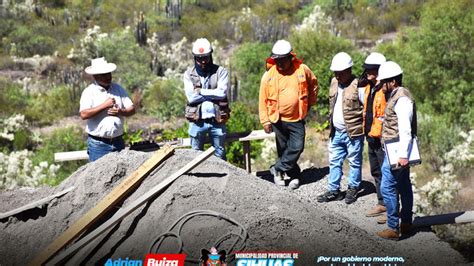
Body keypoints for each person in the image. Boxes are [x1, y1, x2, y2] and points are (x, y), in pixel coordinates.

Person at [259, 40, 319, 189]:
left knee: (297, 147)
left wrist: (310, 103)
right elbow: (262, 99)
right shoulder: (269, 75)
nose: (279, 63)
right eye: (276, 60)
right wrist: (265, 121)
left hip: (296, 118)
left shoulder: (302, 70)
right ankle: (294, 176)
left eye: (282, 60)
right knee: (284, 150)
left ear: (290, 57)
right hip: (277, 119)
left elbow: (314, 84)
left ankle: (277, 168)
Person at [376, 61, 417, 240]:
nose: (381, 86)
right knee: (404, 186)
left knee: (387, 186)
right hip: (398, 151)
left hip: (397, 153)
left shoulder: (401, 98)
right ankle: (406, 223)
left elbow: (405, 128)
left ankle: (393, 228)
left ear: (392, 81)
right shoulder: (398, 96)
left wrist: (402, 155)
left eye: (383, 82)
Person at [317, 52, 364, 204]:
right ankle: (333, 190)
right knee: (334, 161)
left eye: (340, 73)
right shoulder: (334, 83)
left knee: (354, 161)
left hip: (353, 133)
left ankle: (353, 188)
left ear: (349, 70)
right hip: (336, 132)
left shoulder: (359, 85)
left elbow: (365, 110)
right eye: (335, 73)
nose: (337, 76)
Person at [79, 57, 136, 161]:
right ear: (95, 76)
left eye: (109, 73)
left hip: (118, 142)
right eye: (104, 74)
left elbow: (132, 109)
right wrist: (104, 105)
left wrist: (120, 112)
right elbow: (84, 114)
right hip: (99, 145)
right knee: (99, 176)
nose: (108, 77)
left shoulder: (118, 88)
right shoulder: (89, 92)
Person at [183, 38, 230, 160]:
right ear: (195, 58)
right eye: (199, 58)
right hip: (197, 121)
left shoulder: (221, 71)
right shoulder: (188, 74)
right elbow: (192, 98)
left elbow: (222, 93)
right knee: (195, 156)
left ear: (210, 55)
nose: (203, 61)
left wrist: (201, 92)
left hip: (217, 120)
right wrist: (213, 94)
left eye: (205, 57)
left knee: (220, 154)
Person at [359, 52, 388, 220]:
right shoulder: (370, 87)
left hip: (382, 139)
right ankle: (382, 203)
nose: (367, 72)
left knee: (387, 174)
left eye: (370, 69)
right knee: (376, 172)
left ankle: (392, 209)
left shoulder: (385, 89)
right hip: (371, 136)